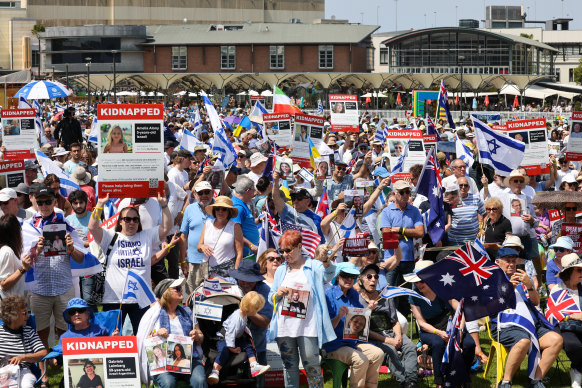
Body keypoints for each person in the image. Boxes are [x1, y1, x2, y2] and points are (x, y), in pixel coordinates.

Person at [21, 184, 86, 366]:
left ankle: (66, 363)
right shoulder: (27, 226)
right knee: (40, 330)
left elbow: (80, 258)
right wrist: (36, 250)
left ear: (55, 201)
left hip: (63, 285)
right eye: (40, 202)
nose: (44, 206)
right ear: (34, 201)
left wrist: (72, 248)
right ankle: (44, 371)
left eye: (48, 201)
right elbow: (24, 262)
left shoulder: (67, 223)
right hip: (40, 288)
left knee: (66, 328)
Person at [88, 193, 172, 333]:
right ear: (120, 221)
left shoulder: (146, 236)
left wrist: (163, 205)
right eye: (127, 219)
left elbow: (166, 227)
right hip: (114, 299)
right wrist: (100, 204)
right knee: (113, 341)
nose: (131, 223)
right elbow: (92, 227)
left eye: (135, 219)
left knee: (143, 338)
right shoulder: (110, 236)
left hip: (142, 300)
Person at [490, 248, 562, 388]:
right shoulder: (492, 280)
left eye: (514, 261)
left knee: (556, 340)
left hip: (530, 322)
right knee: (523, 341)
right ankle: (506, 381)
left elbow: (535, 302)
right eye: (507, 261)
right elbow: (489, 307)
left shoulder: (521, 279)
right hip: (505, 325)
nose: (511, 264)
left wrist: (529, 285)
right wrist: (508, 290)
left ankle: (536, 379)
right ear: (498, 262)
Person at [406, 260, 474, 388]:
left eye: (422, 280)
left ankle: (464, 376)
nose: (418, 284)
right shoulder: (413, 296)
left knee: (470, 344)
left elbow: (460, 310)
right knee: (437, 343)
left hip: (451, 325)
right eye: (416, 281)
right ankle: (439, 381)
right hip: (429, 330)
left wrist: (459, 331)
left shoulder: (444, 289)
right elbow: (421, 322)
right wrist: (439, 333)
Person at [137, 278, 206, 388]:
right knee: (168, 383)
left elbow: (201, 336)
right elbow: (144, 341)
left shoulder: (187, 311)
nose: (181, 290)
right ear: (166, 293)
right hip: (163, 363)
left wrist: (197, 336)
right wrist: (156, 333)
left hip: (189, 360)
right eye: (177, 289)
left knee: (199, 380)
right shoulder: (153, 315)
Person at [358, 264, 418, 388]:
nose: (373, 279)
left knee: (410, 347)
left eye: (375, 277)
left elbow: (394, 320)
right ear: (361, 280)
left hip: (391, 331)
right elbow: (363, 330)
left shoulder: (385, 297)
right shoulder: (358, 301)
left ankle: (412, 381)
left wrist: (398, 336)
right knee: (391, 352)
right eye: (369, 277)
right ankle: (404, 381)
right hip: (374, 338)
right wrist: (368, 310)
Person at [324, 262, 384, 388]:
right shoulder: (328, 295)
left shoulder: (353, 294)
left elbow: (359, 318)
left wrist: (369, 309)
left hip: (352, 342)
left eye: (352, 276)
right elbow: (326, 329)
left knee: (378, 354)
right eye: (345, 275)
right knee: (360, 359)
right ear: (338, 276)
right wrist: (338, 316)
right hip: (334, 344)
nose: (349, 279)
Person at [380, 180, 424, 314]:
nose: (406, 195)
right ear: (394, 193)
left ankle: (403, 323)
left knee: (407, 294)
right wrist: (409, 233)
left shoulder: (414, 210)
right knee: (389, 292)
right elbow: (386, 234)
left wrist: (401, 230)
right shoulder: (387, 211)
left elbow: (420, 232)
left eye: (408, 192)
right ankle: (391, 320)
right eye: (402, 192)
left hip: (410, 259)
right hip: (391, 259)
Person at [207, 291, 270, 384]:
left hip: (236, 338)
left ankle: (254, 366)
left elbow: (243, 327)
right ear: (251, 309)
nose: (257, 311)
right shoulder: (237, 318)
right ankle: (215, 372)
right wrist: (232, 348)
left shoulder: (243, 314)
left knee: (248, 345)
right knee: (224, 352)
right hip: (223, 338)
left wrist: (247, 335)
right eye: (256, 309)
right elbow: (230, 334)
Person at [229, 261, 273, 388]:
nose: (246, 283)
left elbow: (265, 323)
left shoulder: (264, 290)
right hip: (231, 346)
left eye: (250, 280)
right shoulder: (230, 284)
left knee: (257, 384)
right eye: (243, 280)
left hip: (256, 347)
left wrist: (247, 310)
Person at [549, 253, 582, 387]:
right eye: (579, 270)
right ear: (568, 272)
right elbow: (553, 314)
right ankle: (577, 370)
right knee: (575, 345)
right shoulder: (558, 289)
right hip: (566, 326)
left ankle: (577, 370)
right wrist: (573, 315)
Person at [0, 295, 47, 388]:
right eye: (24, 313)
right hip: (2, 371)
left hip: (23, 371)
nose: (28, 316)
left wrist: (23, 357)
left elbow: (43, 352)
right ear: (14, 316)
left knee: (26, 385)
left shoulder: (28, 331)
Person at [180, 181, 214, 292]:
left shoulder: (219, 209)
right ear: (195, 194)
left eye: (207, 192)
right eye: (200, 193)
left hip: (214, 262)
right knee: (193, 294)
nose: (204, 195)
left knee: (212, 294)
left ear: (212, 193)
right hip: (193, 261)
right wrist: (183, 261)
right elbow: (183, 236)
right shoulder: (189, 209)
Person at [197, 196, 243, 277]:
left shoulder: (235, 226)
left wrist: (236, 274)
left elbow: (239, 253)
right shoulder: (208, 224)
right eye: (218, 208)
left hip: (226, 272)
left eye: (224, 209)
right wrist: (203, 247)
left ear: (229, 211)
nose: (220, 211)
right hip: (205, 269)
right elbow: (199, 247)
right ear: (214, 210)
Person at [0, 214, 31, 298]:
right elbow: (4, 285)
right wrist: (23, 268)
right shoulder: (7, 252)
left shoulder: (6, 250)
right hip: (9, 308)